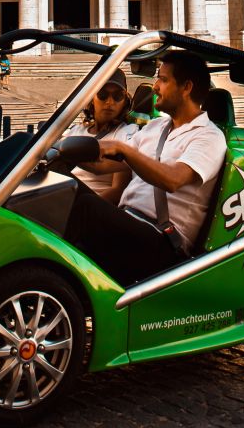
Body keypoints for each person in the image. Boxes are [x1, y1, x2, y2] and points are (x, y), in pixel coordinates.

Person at [64, 51, 227, 285]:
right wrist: (59, 150)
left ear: (186, 87)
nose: (155, 86)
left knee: (87, 207)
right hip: (127, 225)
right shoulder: (156, 127)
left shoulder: (208, 137)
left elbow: (174, 179)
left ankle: (54, 278)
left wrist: (125, 149)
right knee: (62, 189)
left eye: (163, 79)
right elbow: (103, 166)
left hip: (162, 241)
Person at [63, 69, 138, 203]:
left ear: (125, 101)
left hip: (91, 205)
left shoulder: (127, 134)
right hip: (62, 195)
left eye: (117, 96)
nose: (110, 102)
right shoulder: (76, 130)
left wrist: (83, 209)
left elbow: (118, 190)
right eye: (103, 94)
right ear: (92, 97)